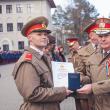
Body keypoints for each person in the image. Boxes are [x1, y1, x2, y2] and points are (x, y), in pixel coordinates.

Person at [12, 16, 73, 110]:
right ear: (29, 38)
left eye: (45, 34)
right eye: (39, 34)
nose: (44, 37)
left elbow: (49, 84)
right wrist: (62, 91)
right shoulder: (28, 61)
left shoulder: (42, 57)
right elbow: (32, 93)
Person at [77, 18, 110, 110]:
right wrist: (81, 78)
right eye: (100, 36)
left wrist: (93, 88)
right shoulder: (93, 57)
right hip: (97, 105)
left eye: (106, 36)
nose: (103, 39)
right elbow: (90, 77)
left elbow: (93, 86)